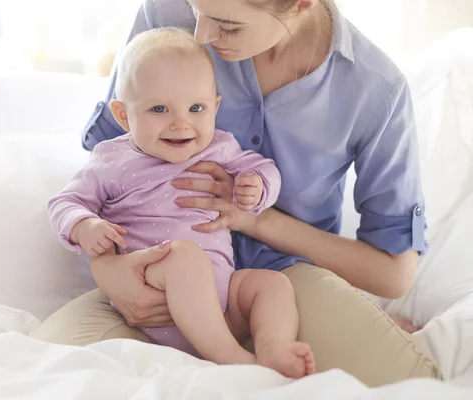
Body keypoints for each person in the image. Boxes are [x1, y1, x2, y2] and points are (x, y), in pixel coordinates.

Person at [32, 0, 441, 386]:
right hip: (145, 274)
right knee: (43, 374)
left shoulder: (375, 88)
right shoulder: (163, 13)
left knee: (410, 383)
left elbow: (393, 272)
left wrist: (254, 218)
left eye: (227, 25)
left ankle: (263, 350)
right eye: (195, 10)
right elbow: (103, 174)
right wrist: (111, 272)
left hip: (275, 279)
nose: (201, 35)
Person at [48, 27, 316, 378]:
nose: (180, 123)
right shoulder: (111, 160)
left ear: (215, 107)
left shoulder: (219, 147)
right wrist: (85, 225)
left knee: (272, 285)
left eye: (196, 107)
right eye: (159, 108)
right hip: (156, 299)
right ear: (123, 115)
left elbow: (262, 167)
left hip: (223, 305)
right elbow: (65, 201)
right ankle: (229, 356)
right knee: (184, 255)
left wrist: (257, 185)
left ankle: (273, 347)